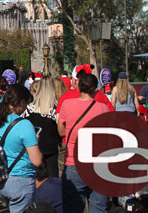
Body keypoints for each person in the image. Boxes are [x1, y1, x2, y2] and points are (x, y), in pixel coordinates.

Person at [0, 84, 43, 212]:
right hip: (20, 182)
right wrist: (35, 143)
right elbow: (37, 160)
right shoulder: (25, 125)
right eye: (26, 103)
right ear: (21, 102)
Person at [58, 73, 110, 213]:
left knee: (72, 208)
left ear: (78, 86)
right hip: (98, 164)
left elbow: (61, 131)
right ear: (95, 89)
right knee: (99, 208)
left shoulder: (67, 105)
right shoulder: (103, 108)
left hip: (74, 163)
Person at [24, 76, 62, 178]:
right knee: (52, 183)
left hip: (33, 150)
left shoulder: (29, 109)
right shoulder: (56, 109)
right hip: (51, 150)